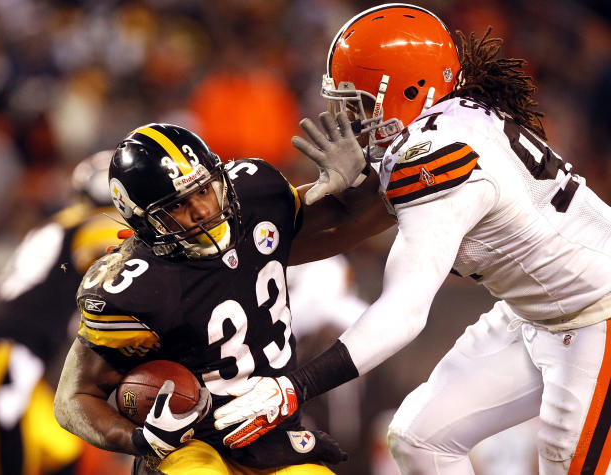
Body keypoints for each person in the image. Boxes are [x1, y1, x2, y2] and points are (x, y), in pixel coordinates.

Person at [213, 4, 611, 474]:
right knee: (419, 439)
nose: (352, 118)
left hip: (599, 318)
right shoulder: (448, 121)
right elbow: (341, 225)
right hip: (537, 314)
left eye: (359, 102)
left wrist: (294, 387)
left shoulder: (436, 157)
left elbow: (402, 313)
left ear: (408, 90)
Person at [53, 122, 386, 474]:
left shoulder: (257, 196)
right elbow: (73, 398)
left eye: (203, 189)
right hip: (190, 445)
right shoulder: (136, 287)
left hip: (272, 437)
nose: (201, 210)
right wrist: (139, 439)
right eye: (178, 205)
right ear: (147, 223)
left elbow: (350, 218)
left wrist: (361, 180)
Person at [0, 151, 125, 475]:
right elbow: (108, 246)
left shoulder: (60, 225)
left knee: (62, 450)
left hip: (11, 354)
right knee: (6, 450)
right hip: (9, 354)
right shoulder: (95, 224)